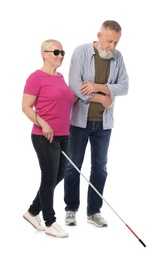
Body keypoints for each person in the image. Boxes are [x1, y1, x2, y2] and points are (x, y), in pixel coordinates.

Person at [64, 20, 129, 227]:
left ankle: (94, 212)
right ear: (99, 35)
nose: (112, 46)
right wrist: (102, 97)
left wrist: (97, 86)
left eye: (116, 42)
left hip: (104, 123)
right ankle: (71, 209)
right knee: (73, 167)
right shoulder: (81, 52)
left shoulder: (117, 58)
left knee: (100, 168)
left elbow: (125, 86)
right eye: (109, 41)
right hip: (79, 122)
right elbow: (75, 86)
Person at [22, 39, 75, 238]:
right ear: (44, 54)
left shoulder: (60, 77)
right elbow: (26, 107)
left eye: (62, 52)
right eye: (56, 52)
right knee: (49, 177)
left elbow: (65, 101)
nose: (60, 55)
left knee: (59, 175)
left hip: (64, 135)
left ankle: (32, 211)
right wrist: (43, 124)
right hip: (44, 136)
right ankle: (50, 222)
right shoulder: (36, 77)